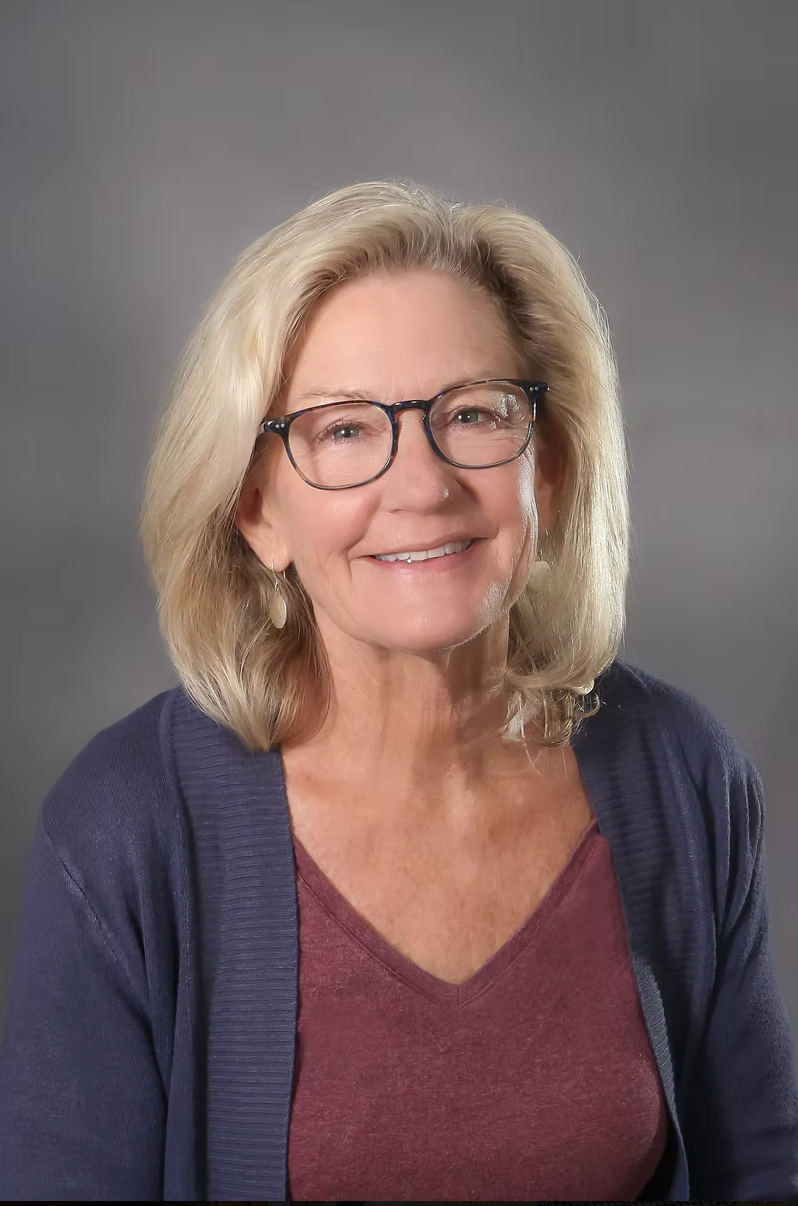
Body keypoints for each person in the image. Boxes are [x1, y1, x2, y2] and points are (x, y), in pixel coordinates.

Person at [1, 180, 796, 1203]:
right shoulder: (126, 827)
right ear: (255, 510)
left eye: (472, 414)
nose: (420, 486)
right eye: (342, 431)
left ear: (545, 472)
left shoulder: (683, 778)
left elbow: (760, 1174)